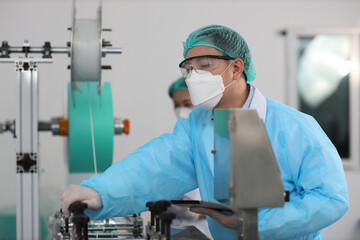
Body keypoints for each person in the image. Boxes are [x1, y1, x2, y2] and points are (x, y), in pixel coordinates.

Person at [61, 25, 349, 239]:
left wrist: (254, 223)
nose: (193, 76)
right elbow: (156, 166)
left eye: (204, 66)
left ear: (237, 68)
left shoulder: (295, 127)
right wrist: (101, 191)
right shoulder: (198, 125)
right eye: (188, 68)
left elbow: (331, 199)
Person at [168, 77, 212, 238]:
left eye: (187, 104)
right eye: (176, 105)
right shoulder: (176, 143)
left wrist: (199, 212)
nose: (181, 110)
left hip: (207, 231)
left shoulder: (218, 142)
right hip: (177, 229)